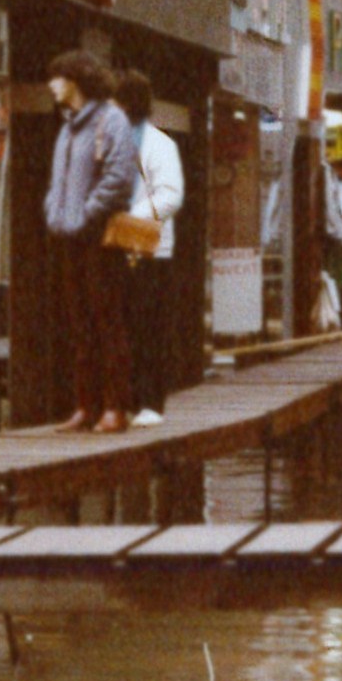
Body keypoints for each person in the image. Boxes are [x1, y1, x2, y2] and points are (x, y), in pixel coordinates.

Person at [43, 50, 139, 433]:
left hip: (99, 235)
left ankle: (115, 406)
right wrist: (56, 211)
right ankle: (86, 404)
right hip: (70, 236)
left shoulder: (110, 120)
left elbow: (119, 175)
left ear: (76, 81)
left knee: (107, 320)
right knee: (80, 322)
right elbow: (58, 181)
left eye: (58, 77)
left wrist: (86, 211)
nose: (52, 85)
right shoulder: (68, 127)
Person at [116, 69, 184, 427]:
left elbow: (170, 194)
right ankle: (126, 399)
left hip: (150, 248)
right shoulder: (112, 142)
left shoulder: (160, 145)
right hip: (119, 246)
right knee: (123, 326)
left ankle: (151, 402)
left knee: (148, 327)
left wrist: (132, 217)